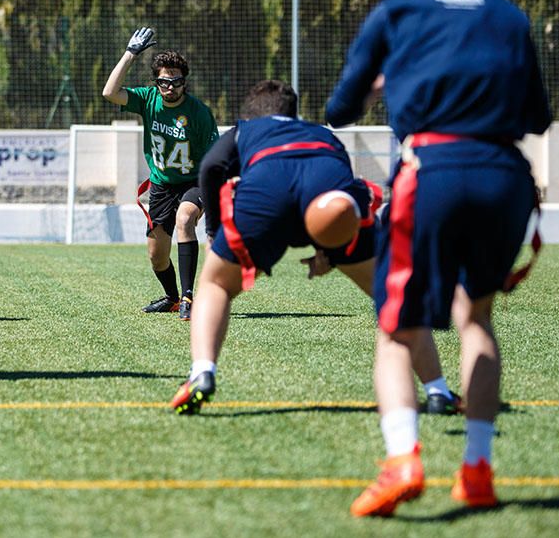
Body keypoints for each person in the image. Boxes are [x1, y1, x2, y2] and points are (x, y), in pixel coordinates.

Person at [325, 0, 552, 516]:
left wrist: (380, 85)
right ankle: (477, 470)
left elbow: (340, 108)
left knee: (398, 328)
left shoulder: (399, 12)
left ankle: (403, 460)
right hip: (504, 174)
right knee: (476, 319)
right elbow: (537, 116)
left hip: (433, 169)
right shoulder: (509, 16)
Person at [170, 80, 460, 417]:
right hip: (329, 196)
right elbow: (344, 188)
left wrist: (216, 231)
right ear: (293, 115)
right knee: (396, 295)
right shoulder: (322, 134)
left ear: (248, 115)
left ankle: (202, 372)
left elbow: (211, 168)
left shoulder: (244, 130)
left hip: (266, 192)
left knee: (216, 285)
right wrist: (329, 252)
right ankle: (438, 390)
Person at [102, 27, 220, 320]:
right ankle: (171, 297)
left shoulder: (199, 113)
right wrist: (131, 53)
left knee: (185, 221)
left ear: (184, 81)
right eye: (164, 81)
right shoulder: (147, 100)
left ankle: (189, 297)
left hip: (195, 181)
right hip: (162, 185)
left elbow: (216, 158)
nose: (170, 87)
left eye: (176, 81)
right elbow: (109, 92)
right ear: (156, 82)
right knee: (157, 257)